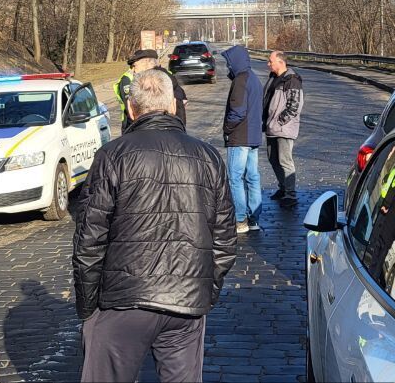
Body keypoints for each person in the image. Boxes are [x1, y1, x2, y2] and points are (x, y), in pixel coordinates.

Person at [73, 70, 237, 382]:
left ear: (131, 109)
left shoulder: (112, 155)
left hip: (123, 301)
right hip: (186, 301)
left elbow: (89, 241)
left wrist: (88, 307)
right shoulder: (208, 157)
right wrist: (204, 291)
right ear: (173, 106)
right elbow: (225, 240)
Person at [221, 45, 263, 233]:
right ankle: (254, 219)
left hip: (240, 137)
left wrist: (227, 129)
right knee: (252, 177)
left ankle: (240, 220)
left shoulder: (240, 80)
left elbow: (237, 112)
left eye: (229, 63)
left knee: (235, 178)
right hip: (253, 136)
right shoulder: (253, 78)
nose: (228, 66)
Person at [262, 50, 304, 209]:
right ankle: (283, 188)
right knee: (273, 159)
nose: (268, 64)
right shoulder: (273, 78)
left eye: (270, 61)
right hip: (271, 127)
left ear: (280, 62)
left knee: (285, 161)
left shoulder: (291, 80)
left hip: (283, 129)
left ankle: (290, 194)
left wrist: (279, 121)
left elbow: (294, 106)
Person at [128, 48, 188, 126]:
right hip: (173, 125)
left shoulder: (155, 80)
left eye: (135, 66)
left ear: (146, 62)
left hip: (159, 125)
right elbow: (184, 99)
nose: (133, 70)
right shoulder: (164, 75)